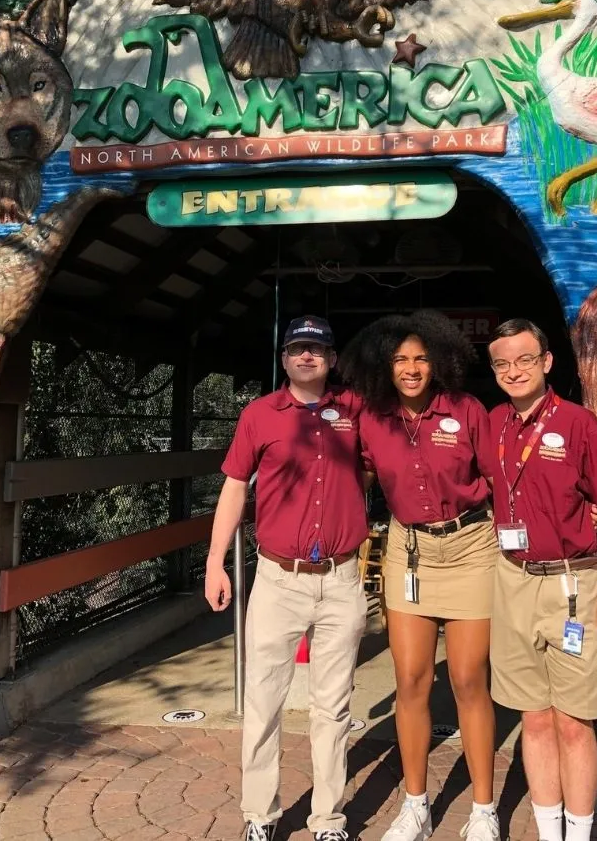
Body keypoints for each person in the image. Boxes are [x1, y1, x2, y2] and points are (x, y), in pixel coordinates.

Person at [339, 310, 501, 841]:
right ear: (382, 366)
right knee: (410, 681)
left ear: (439, 359)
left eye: (420, 358)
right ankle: (416, 805)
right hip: (408, 553)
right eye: (400, 359)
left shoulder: (466, 409)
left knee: (468, 680)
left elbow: (504, 477)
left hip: (472, 547)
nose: (410, 369)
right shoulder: (370, 417)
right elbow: (346, 474)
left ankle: (483, 809)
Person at [204, 315, 368, 841]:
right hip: (277, 578)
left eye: (316, 349)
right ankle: (260, 815)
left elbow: (396, 461)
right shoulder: (259, 415)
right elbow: (233, 488)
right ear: (283, 359)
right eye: (296, 348)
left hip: (341, 578)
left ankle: (328, 819)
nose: (306, 357)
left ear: (332, 359)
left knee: (333, 706)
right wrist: (215, 564)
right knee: (264, 701)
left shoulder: (356, 411)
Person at [486, 318, 597, 841]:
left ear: (546, 362)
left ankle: (581, 832)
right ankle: (550, 833)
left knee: (574, 720)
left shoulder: (578, 424)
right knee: (535, 718)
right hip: (514, 579)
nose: (514, 371)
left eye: (525, 359)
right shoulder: (493, 424)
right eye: (502, 363)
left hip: (575, 584)